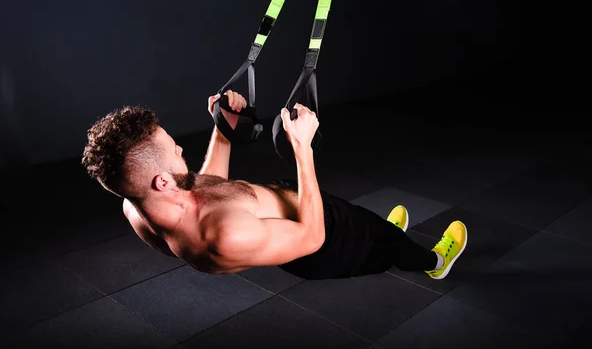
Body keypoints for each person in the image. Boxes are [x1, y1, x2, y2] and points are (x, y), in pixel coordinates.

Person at [81, 91, 467, 280]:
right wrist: (303, 149)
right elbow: (312, 237)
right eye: (173, 148)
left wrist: (225, 128)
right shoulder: (225, 236)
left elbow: (208, 188)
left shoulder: (139, 204)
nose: (180, 146)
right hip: (324, 237)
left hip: (285, 205)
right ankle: (435, 262)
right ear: (162, 180)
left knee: (374, 227)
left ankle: (384, 236)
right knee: (387, 247)